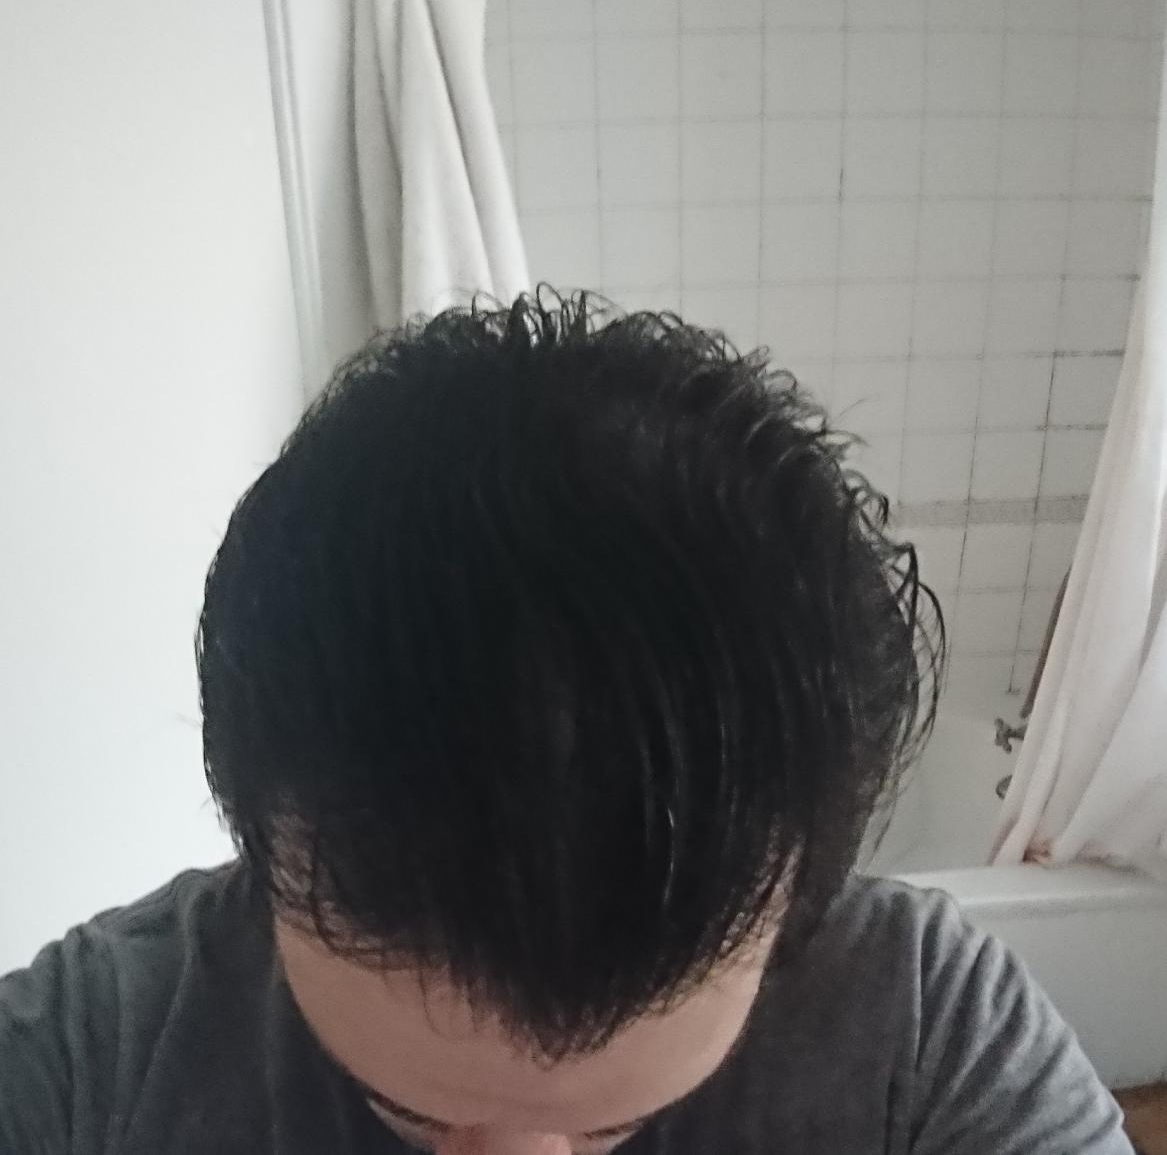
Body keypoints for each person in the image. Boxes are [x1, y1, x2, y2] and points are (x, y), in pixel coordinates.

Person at [0, 291, 1131, 1154]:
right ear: (257, 839)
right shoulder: (91, 1057)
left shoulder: (927, 1035)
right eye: (408, 1111)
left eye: (609, 1129)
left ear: (801, 904)